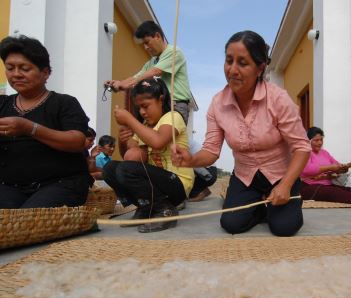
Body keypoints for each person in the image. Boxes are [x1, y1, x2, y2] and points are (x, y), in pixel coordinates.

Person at [171, 30, 310, 237]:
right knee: (231, 223)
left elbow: (302, 148)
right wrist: (190, 160)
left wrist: (287, 185)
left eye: (242, 63)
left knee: (285, 227)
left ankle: (278, 203)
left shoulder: (278, 99)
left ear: (260, 68)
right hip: (245, 176)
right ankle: (259, 209)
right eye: (229, 61)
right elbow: (211, 150)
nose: (232, 70)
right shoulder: (217, 104)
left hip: (282, 174)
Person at [0, 35, 92, 209]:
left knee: (30, 221)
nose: (16, 74)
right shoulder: (2, 104)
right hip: (9, 186)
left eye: (25, 68)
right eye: (10, 68)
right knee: (7, 221)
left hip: (61, 184)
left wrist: (29, 128)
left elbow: (78, 141)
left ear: (45, 73)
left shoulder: (64, 103)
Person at [103, 78, 194, 233]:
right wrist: (122, 139)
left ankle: (165, 210)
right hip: (158, 185)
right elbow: (128, 157)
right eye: (139, 108)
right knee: (110, 169)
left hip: (177, 183)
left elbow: (158, 141)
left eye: (145, 106)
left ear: (160, 99)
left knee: (125, 170)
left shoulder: (172, 117)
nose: (142, 112)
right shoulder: (145, 126)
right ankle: (145, 207)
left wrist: (130, 120)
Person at [105, 21, 192, 125]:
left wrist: (127, 84)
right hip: (160, 106)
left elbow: (156, 71)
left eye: (147, 42)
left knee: (164, 140)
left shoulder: (174, 52)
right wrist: (119, 84)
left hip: (176, 105)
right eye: (143, 44)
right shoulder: (151, 62)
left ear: (157, 36)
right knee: (151, 138)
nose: (145, 47)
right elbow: (135, 78)